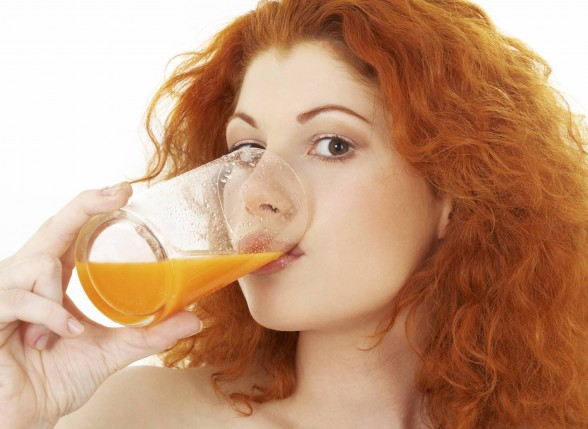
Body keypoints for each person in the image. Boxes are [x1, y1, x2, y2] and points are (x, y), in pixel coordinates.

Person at [1, 0, 587, 427]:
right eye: (245, 152)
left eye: (333, 144)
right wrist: (19, 407)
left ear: (454, 189)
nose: (259, 193)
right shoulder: (138, 416)